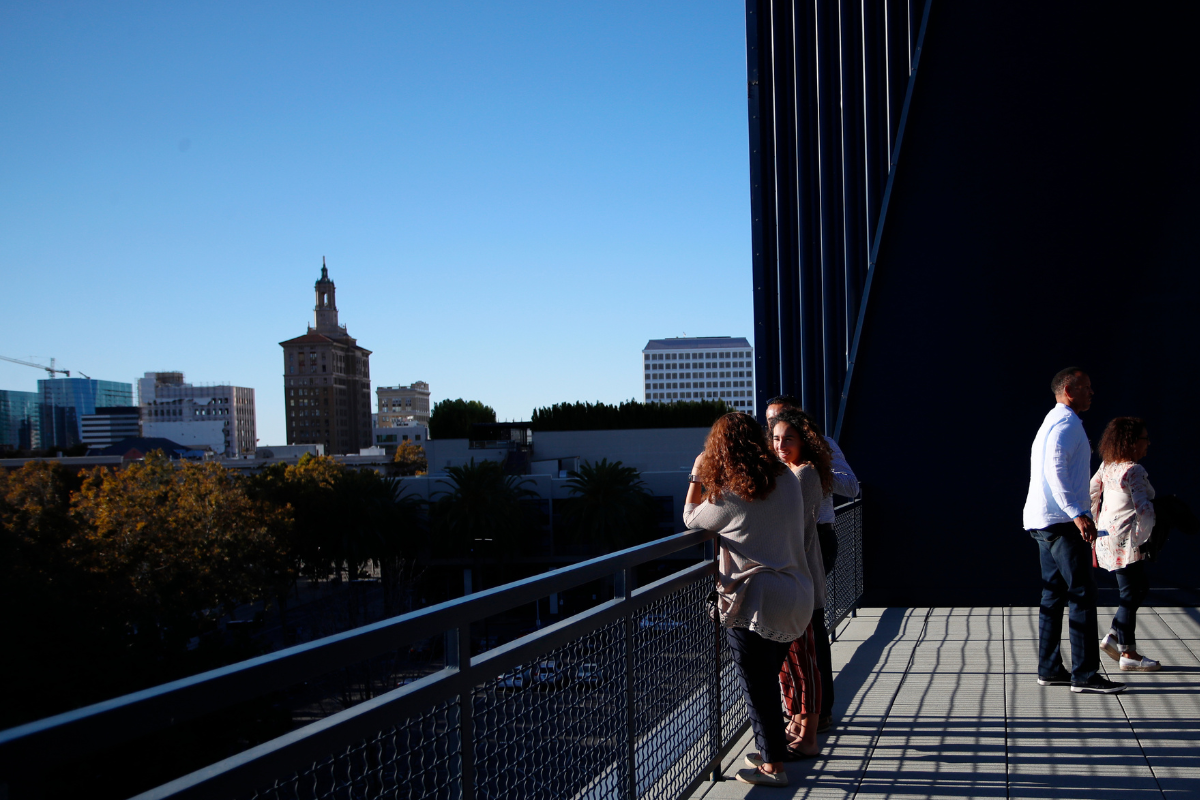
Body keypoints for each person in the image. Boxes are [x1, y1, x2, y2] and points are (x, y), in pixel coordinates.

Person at [685, 412, 815, 788]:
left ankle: (773, 767)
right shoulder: (786, 479)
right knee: (766, 678)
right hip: (797, 596)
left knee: (756, 686)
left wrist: (697, 474)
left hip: (757, 602)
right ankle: (770, 748)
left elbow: (691, 519)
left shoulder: (733, 493)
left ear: (720, 450)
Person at [1023, 367, 1124, 694]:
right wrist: (1078, 514)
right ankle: (1084, 674)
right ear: (1069, 389)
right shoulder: (1066, 424)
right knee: (1082, 593)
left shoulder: (1051, 422)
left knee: (1053, 594)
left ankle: (1050, 668)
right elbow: (1056, 470)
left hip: (1043, 521)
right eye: (1086, 388)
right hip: (1061, 523)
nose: (1092, 393)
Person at [766, 396, 859, 732]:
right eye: (772, 427)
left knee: (811, 628)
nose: (777, 435)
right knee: (798, 631)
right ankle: (803, 712)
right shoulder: (773, 453)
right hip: (787, 548)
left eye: (785, 428)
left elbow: (852, 486)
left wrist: (817, 468)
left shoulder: (819, 451)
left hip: (816, 539)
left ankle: (818, 713)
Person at [770, 408, 833, 756]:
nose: (781, 445)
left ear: (802, 442)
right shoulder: (789, 471)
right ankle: (795, 721)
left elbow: (801, 529)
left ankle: (807, 730)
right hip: (791, 577)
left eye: (788, 439)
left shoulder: (805, 473)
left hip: (801, 577)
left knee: (804, 659)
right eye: (776, 439)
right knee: (791, 659)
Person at [1091, 417, 1159, 671]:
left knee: (1137, 588)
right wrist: (1142, 538)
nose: (1148, 444)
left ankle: (1115, 635)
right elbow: (1145, 509)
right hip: (1127, 541)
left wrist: (1097, 526)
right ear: (1130, 443)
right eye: (1144, 439)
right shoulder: (1134, 470)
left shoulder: (1107, 466)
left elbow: (1092, 493)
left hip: (1108, 539)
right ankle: (1127, 653)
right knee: (1132, 591)